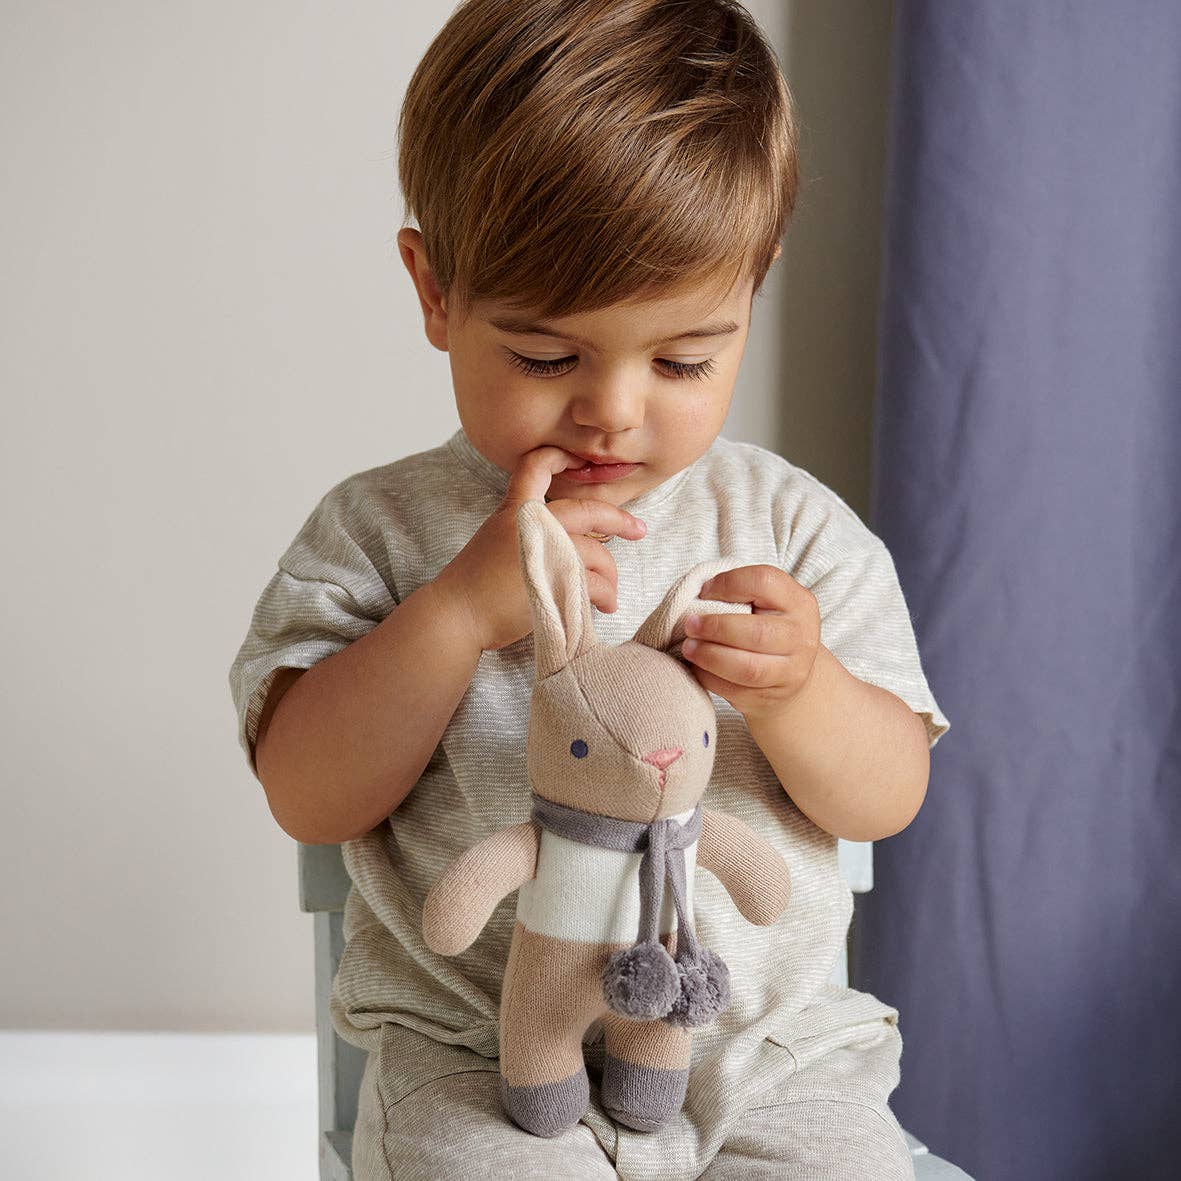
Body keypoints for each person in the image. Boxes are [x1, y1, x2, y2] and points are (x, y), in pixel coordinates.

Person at [228, 2, 951, 1177]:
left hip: (764, 1058)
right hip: (476, 1058)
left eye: (681, 358)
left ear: (752, 287)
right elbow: (308, 794)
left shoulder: (790, 530)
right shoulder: (380, 532)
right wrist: (455, 616)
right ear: (434, 291)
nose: (611, 409)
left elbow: (885, 796)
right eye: (545, 355)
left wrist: (801, 688)